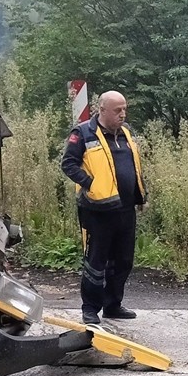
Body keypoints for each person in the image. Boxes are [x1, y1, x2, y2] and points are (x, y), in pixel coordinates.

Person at [60, 90, 146, 325]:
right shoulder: (83, 133)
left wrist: (140, 195)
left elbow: (134, 168)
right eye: (118, 110)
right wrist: (91, 184)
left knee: (123, 261)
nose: (123, 114)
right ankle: (90, 309)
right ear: (103, 110)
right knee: (96, 262)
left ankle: (113, 305)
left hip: (125, 209)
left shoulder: (126, 134)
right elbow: (68, 164)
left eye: (125, 109)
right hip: (96, 211)